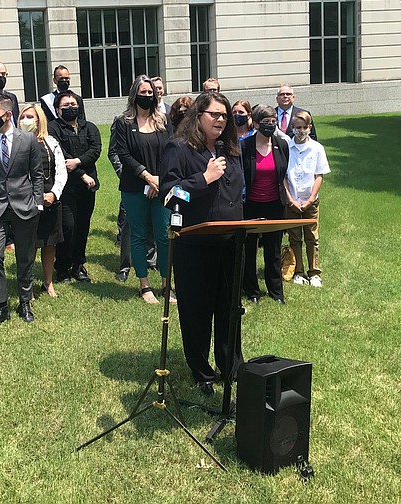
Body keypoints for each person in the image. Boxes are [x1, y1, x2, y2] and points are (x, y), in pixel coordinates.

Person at [159, 91, 244, 397]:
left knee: (230, 309)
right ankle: (201, 370)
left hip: (231, 243)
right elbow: (168, 195)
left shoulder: (231, 150)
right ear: (198, 116)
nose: (220, 120)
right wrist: (202, 179)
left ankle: (232, 366)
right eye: (214, 114)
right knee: (197, 312)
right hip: (194, 246)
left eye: (225, 115)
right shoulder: (178, 149)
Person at [0, 94, 43, 331]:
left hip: (25, 206)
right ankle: (0, 306)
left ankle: (25, 302)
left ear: (7, 114)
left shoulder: (28, 140)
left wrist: (38, 202)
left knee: (25, 257)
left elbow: (37, 174)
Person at [110, 75, 173, 304]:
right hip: (134, 187)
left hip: (162, 185)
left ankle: (167, 284)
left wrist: (159, 180)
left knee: (164, 235)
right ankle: (144, 285)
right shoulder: (123, 122)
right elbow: (122, 153)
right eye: (143, 92)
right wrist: (147, 177)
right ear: (134, 94)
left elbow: (171, 152)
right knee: (137, 235)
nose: (147, 96)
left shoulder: (164, 121)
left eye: (150, 93)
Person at [48, 90, 101, 283]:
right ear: (57, 109)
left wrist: (78, 161)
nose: (71, 108)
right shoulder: (53, 128)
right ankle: (62, 266)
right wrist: (82, 174)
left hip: (88, 186)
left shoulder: (90, 127)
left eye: (73, 104)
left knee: (82, 226)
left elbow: (95, 150)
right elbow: (60, 156)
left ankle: (79, 264)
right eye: (66, 106)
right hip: (65, 187)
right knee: (67, 226)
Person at [241, 104, 290, 305]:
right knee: (249, 249)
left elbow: (283, 176)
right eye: (266, 122)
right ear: (256, 123)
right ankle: (252, 291)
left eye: (273, 122)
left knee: (274, 250)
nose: (270, 126)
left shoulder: (282, 145)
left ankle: (276, 292)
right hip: (251, 205)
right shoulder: (244, 146)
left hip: (274, 205)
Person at [18, 103, 67, 298]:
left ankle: (48, 283)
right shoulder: (15, 141)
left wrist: (54, 193)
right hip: (25, 200)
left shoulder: (51, 142)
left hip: (49, 198)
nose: (26, 120)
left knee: (49, 243)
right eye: (23, 117)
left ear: (39, 120)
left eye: (31, 117)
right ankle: (26, 284)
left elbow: (61, 171)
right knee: (27, 245)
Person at [284, 111, 330, 288]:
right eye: (297, 128)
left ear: (310, 128)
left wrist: (311, 199)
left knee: (312, 237)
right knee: (295, 237)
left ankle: (314, 272)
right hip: (292, 201)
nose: (301, 131)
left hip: (310, 201)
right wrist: (290, 199)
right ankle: (299, 271)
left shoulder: (317, 148)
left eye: (304, 127)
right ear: (292, 128)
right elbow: (283, 177)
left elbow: (319, 175)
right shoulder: (286, 147)